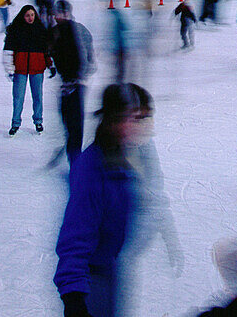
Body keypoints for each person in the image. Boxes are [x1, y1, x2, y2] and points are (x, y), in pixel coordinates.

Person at [54, 83, 154, 317]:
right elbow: (75, 234)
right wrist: (74, 296)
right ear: (115, 120)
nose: (141, 126)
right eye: (135, 118)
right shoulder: (92, 170)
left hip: (110, 272)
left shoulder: (122, 157)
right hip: (89, 281)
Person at [50, 1, 94, 164]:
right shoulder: (55, 32)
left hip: (77, 85)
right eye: (57, 14)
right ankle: (71, 148)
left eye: (62, 13)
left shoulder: (79, 31)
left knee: (75, 124)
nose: (59, 17)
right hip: (65, 85)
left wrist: (80, 77)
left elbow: (90, 57)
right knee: (67, 119)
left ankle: (75, 160)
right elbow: (49, 54)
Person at [3, 4, 50, 135]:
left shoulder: (40, 30)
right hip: (20, 69)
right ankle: (15, 123)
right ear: (23, 16)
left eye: (32, 15)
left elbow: (46, 50)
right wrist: (9, 68)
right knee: (18, 97)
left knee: (38, 96)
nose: (30, 18)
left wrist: (50, 64)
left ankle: (38, 121)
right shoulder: (16, 30)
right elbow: (8, 51)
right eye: (27, 15)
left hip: (37, 68)